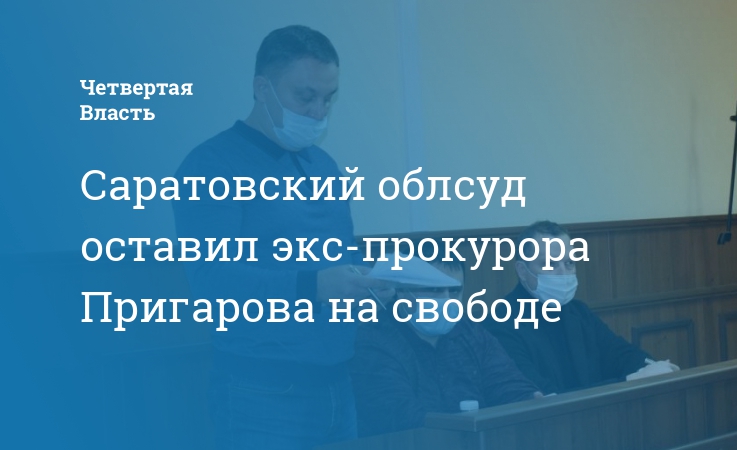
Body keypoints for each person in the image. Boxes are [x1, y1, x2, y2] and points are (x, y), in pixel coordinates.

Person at [172, 25, 392, 449]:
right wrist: (314, 286)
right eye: (305, 96)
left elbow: (337, 263)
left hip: (339, 383)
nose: (318, 112)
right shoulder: (212, 165)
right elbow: (212, 284)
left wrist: (370, 284)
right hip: (262, 393)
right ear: (262, 88)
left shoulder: (324, 165)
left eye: (328, 98)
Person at [350, 258, 542, 437]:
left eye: (454, 291)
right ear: (402, 291)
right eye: (434, 290)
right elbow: (399, 418)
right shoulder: (374, 340)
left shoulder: (469, 331)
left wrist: (529, 401)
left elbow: (505, 382)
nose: (446, 299)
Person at [485, 220, 679, 395]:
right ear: (522, 271)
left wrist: (652, 368)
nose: (563, 273)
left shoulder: (578, 312)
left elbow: (619, 353)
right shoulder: (500, 323)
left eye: (569, 263)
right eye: (550, 264)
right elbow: (543, 397)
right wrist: (628, 381)